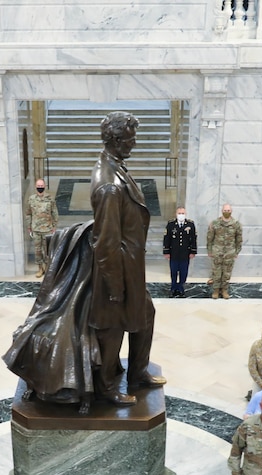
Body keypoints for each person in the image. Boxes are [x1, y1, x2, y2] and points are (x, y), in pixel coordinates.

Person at [87, 111, 167, 405]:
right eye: (131, 138)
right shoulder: (109, 184)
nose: (134, 143)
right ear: (117, 139)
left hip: (131, 267)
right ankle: (107, 387)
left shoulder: (116, 166)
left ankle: (138, 372)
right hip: (116, 272)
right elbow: (106, 243)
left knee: (145, 314)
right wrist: (115, 288)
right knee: (112, 330)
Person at [206, 203, 243, 299]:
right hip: (217, 251)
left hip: (229, 252)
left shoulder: (236, 224)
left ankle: (224, 290)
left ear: (231, 211)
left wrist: (237, 252)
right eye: (225, 210)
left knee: (227, 272)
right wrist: (209, 250)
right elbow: (210, 238)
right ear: (222, 211)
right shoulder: (215, 223)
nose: (227, 212)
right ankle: (216, 290)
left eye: (228, 210)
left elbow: (239, 239)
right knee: (216, 272)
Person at [26, 178, 58, 278]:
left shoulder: (50, 199)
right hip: (36, 229)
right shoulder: (31, 199)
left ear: (45, 186)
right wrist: (29, 226)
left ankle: (48, 269)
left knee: (48, 251)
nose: (40, 188)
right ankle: (40, 268)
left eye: (42, 186)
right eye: (38, 186)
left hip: (47, 229)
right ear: (36, 187)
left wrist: (54, 226)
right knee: (38, 251)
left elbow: (54, 213)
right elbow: (28, 214)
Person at [163, 206, 197, 298]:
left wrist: (193, 251)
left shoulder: (190, 224)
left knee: (183, 272)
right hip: (173, 253)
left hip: (185, 254)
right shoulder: (171, 224)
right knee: (173, 272)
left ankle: (181, 288)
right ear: (176, 214)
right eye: (179, 213)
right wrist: (166, 251)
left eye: (183, 213)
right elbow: (167, 238)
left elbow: (193, 239)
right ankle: (173, 288)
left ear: (185, 214)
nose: (181, 215)